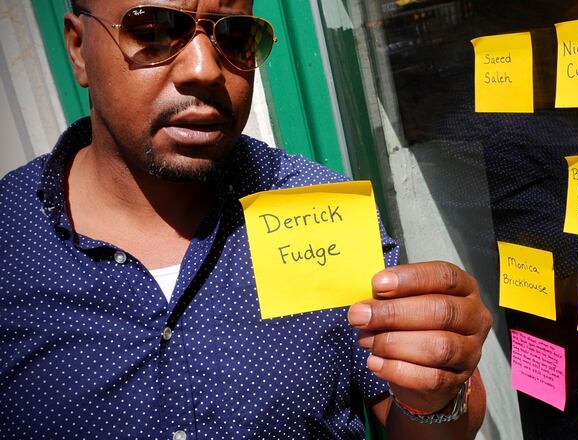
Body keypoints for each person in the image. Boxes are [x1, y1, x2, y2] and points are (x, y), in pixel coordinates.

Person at [0, 1, 492, 439]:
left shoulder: (314, 207)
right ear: (79, 47)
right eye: (153, 31)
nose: (204, 69)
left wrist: (438, 397)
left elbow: (419, 411)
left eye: (233, 37)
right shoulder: (11, 237)